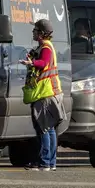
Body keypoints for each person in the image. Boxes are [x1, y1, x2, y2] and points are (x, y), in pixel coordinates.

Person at [20, 18, 67, 171]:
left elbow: (44, 63)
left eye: (35, 30)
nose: (32, 32)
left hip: (45, 93)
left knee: (44, 128)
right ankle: (50, 162)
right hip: (50, 92)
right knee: (50, 128)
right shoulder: (45, 46)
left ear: (40, 33)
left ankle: (44, 162)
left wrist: (31, 63)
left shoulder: (46, 47)